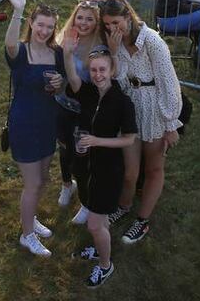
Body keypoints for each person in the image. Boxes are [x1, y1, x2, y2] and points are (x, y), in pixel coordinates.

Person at [98, 0, 182, 245]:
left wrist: (170, 123)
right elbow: (119, 81)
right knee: (129, 171)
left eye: (116, 22)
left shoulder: (152, 41)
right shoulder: (116, 43)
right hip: (131, 109)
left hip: (155, 107)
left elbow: (169, 82)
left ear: (127, 16)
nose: (112, 29)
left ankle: (142, 219)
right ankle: (123, 206)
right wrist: (113, 53)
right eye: (107, 25)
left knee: (153, 168)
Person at [61, 40, 137, 288]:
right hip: (87, 168)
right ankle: (99, 248)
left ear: (112, 70)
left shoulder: (123, 102)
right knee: (99, 218)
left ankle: (105, 265)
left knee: (94, 223)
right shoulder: (88, 92)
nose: (98, 75)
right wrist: (67, 53)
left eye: (102, 70)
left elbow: (129, 139)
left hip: (108, 171)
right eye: (93, 70)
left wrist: (96, 141)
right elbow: (72, 78)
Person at [2, 0, 63, 258]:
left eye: (50, 27)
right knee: (32, 183)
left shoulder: (56, 53)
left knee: (43, 178)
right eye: (40, 25)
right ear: (31, 23)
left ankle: (32, 219)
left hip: (48, 122)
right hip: (24, 124)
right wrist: (17, 10)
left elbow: (59, 86)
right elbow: (9, 44)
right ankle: (27, 235)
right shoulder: (22, 52)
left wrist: (58, 83)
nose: (44, 31)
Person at [55, 0, 103, 213]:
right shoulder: (64, 37)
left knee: (81, 156)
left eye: (89, 19)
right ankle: (67, 185)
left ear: (96, 23)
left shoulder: (98, 47)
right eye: (80, 17)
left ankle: (86, 200)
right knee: (64, 149)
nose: (83, 23)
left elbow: (78, 86)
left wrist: (66, 56)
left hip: (84, 109)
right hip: (62, 105)